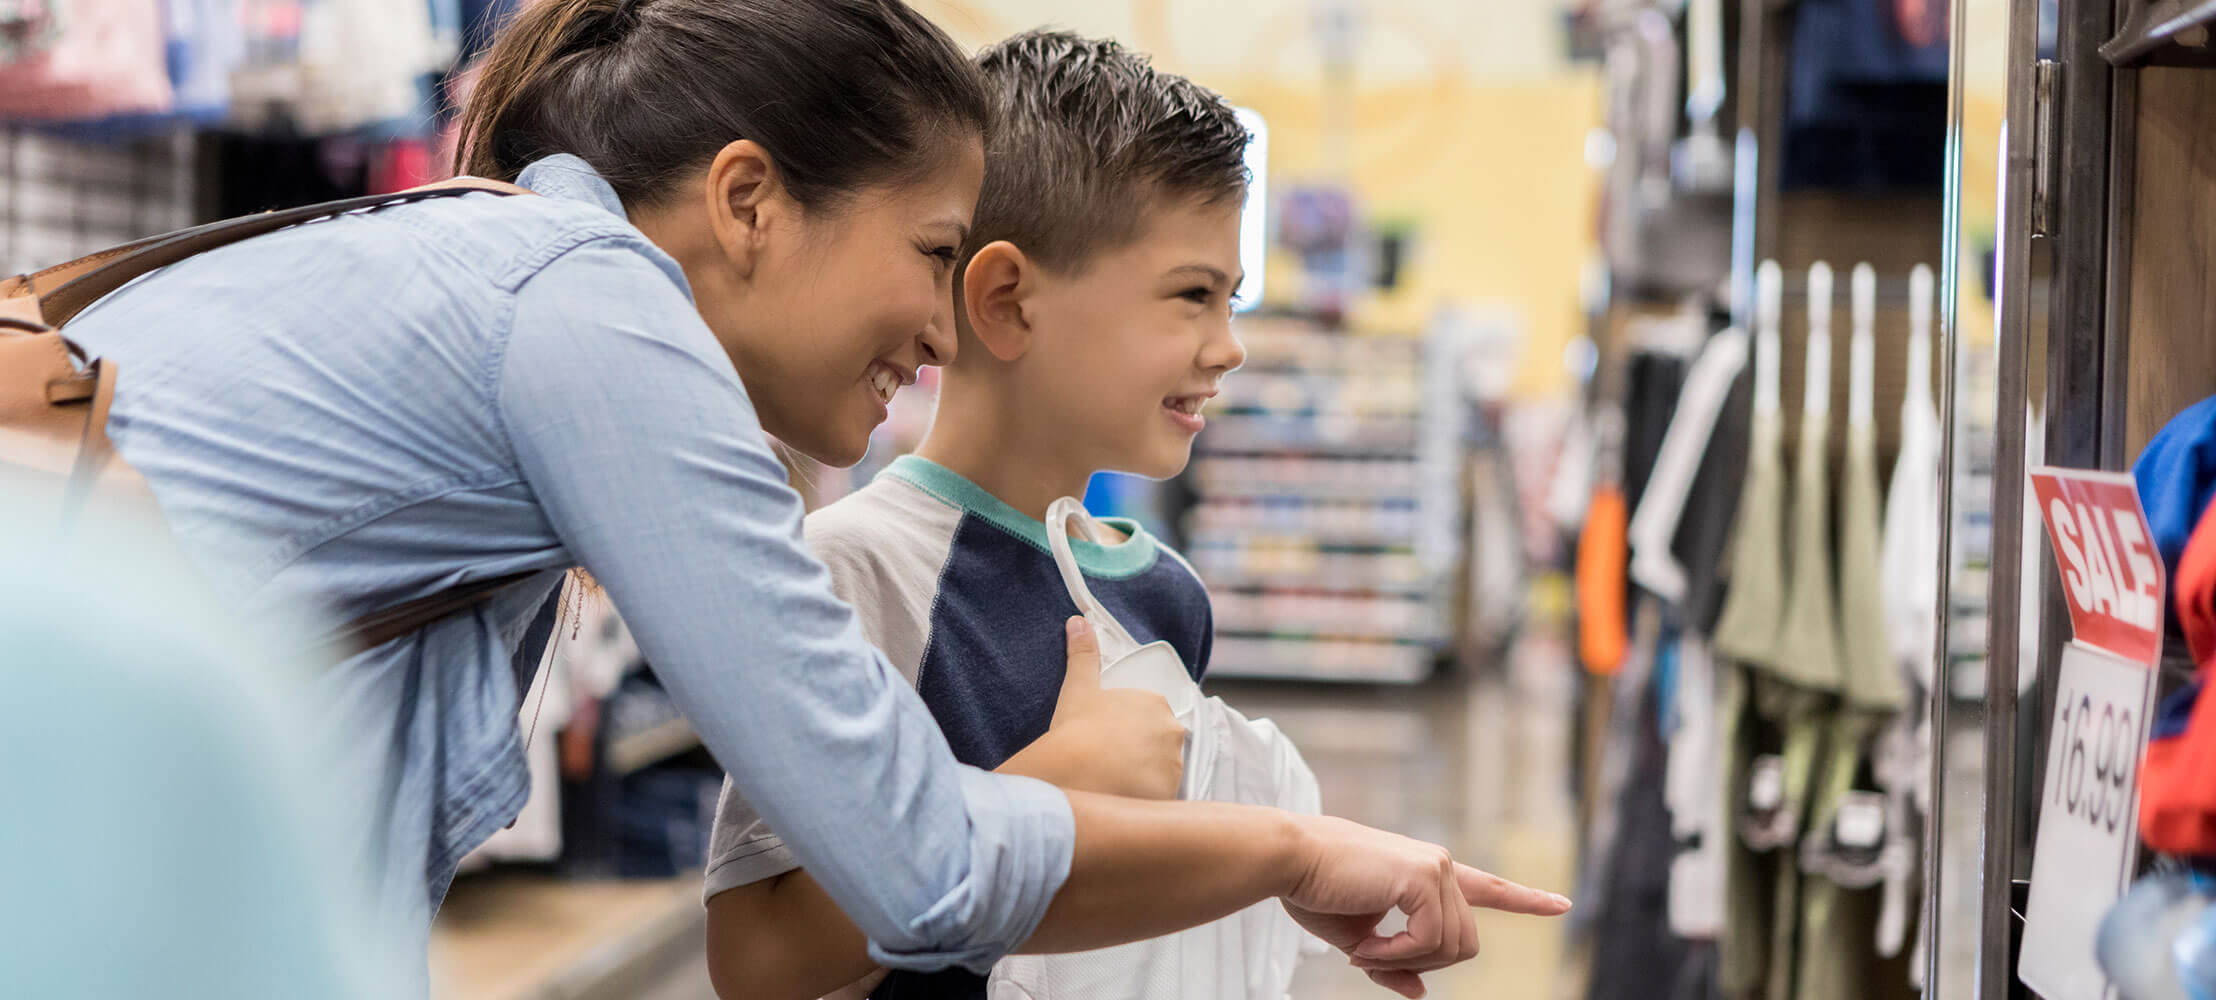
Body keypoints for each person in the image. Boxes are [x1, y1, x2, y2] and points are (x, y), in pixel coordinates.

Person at [53, 0, 1563, 989]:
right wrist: (1296, 852)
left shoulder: (483, 263)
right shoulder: (599, 319)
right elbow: (916, 869)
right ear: (751, 203)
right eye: (930, 251)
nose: (939, 323)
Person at [703, 30, 1334, 1000]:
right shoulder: (849, 576)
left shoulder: (1166, 595)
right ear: (1006, 299)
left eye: (1233, 299)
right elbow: (759, 961)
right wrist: (1050, 783)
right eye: (1193, 296)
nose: (1229, 347)